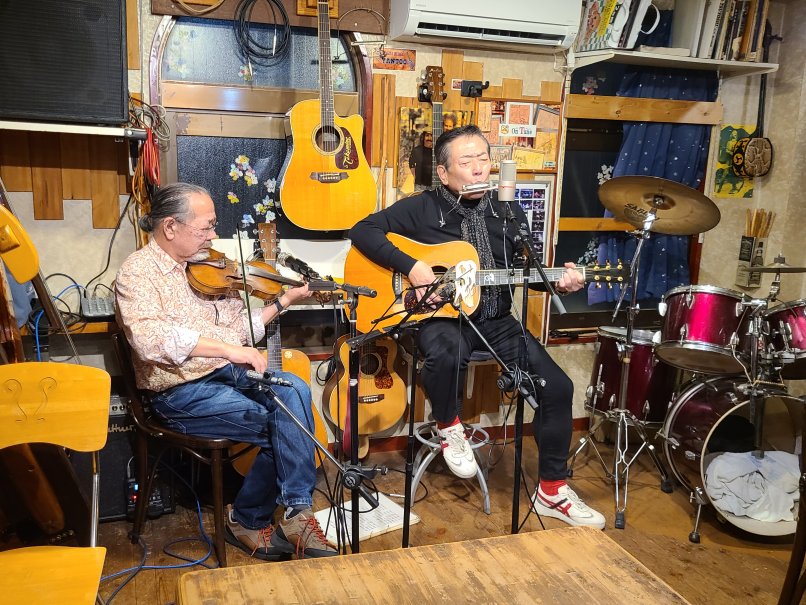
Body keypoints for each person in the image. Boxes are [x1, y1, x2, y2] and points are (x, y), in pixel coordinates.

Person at [348, 125, 606, 529]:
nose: (478, 169)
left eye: (483, 159)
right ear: (444, 172)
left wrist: (559, 280)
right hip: (442, 317)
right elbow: (362, 230)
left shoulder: (508, 210)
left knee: (558, 387)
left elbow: (527, 270)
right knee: (446, 350)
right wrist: (412, 266)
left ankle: (553, 491)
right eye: (466, 162)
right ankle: (449, 426)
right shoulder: (421, 207)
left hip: (496, 319)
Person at [115, 182, 336, 560]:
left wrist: (284, 300)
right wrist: (228, 350)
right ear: (170, 227)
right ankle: (249, 519)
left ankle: (295, 511)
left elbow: (240, 331)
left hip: (226, 375)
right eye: (206, 227)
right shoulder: (137, 273)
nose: (214, 235)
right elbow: (150, 340)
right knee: (283, 424)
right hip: (178, 391)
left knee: (295, 389)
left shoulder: (210, 267)